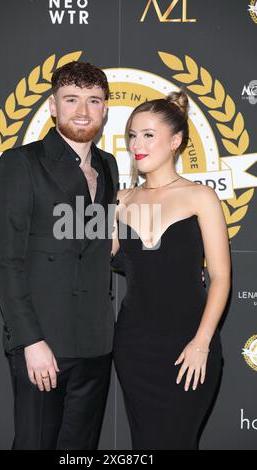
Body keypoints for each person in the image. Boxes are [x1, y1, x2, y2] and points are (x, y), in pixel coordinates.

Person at [0, 61, 119, 450]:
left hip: (96, 343)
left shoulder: (107, 165)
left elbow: (99, 247)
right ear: (52, 106)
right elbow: (6, 261)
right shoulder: (21, 163)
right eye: (72, 99)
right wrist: (31, 341)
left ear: (105, 110)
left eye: (94, 100)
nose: (83, 110)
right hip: (43, 344)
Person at [111, 90, 231, 450]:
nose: (137, 144)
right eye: (133, 135)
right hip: (134, 348)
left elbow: (221, 278)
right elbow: (90, 260)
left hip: (189, 346)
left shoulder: (200, 197)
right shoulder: (118, 201)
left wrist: (202, 342)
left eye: (149, 135)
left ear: (176, 141)